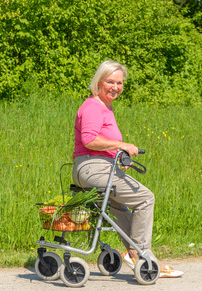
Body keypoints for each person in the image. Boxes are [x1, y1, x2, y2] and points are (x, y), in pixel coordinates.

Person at [72, 60, 183, 278]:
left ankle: (135, 254)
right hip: (93, 169)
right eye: (110, 82)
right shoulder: (94, 106)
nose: (115, 87)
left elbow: (100, 144)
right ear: (99, 81)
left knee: (120, 208)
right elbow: (89, 139)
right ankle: (143, 256)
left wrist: (120, 157)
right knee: (145, 198)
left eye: (120, 83)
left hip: (96, 167)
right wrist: (121, 145)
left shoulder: (105, 107)